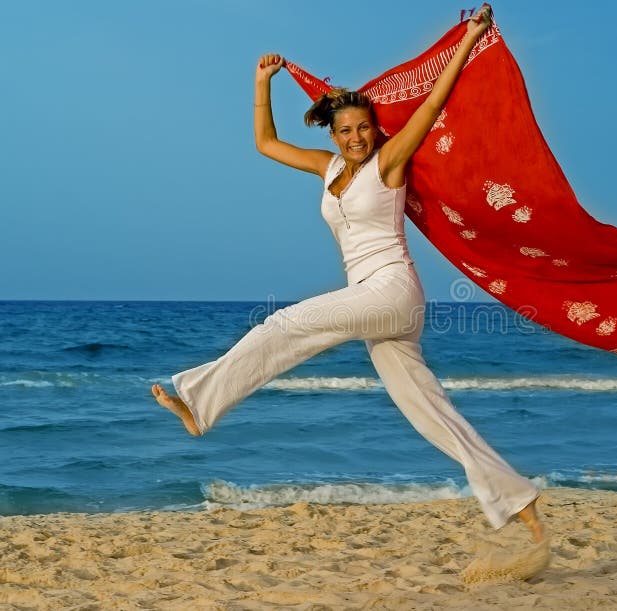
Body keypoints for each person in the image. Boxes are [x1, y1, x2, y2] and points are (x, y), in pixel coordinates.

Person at [152, 8, 544, 545]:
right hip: (377, 301)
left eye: (363, 127)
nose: (356, 136)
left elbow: (432, 106)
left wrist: (470, 39)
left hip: (392, 289)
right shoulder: (329, 167)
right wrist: (261, 82)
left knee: (284, 325)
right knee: (430, 414)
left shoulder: (390, 162)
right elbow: (266, 144)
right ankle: (520, 502)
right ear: (334, 134)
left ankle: (199, 407)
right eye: (346, 130)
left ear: (375, 129)